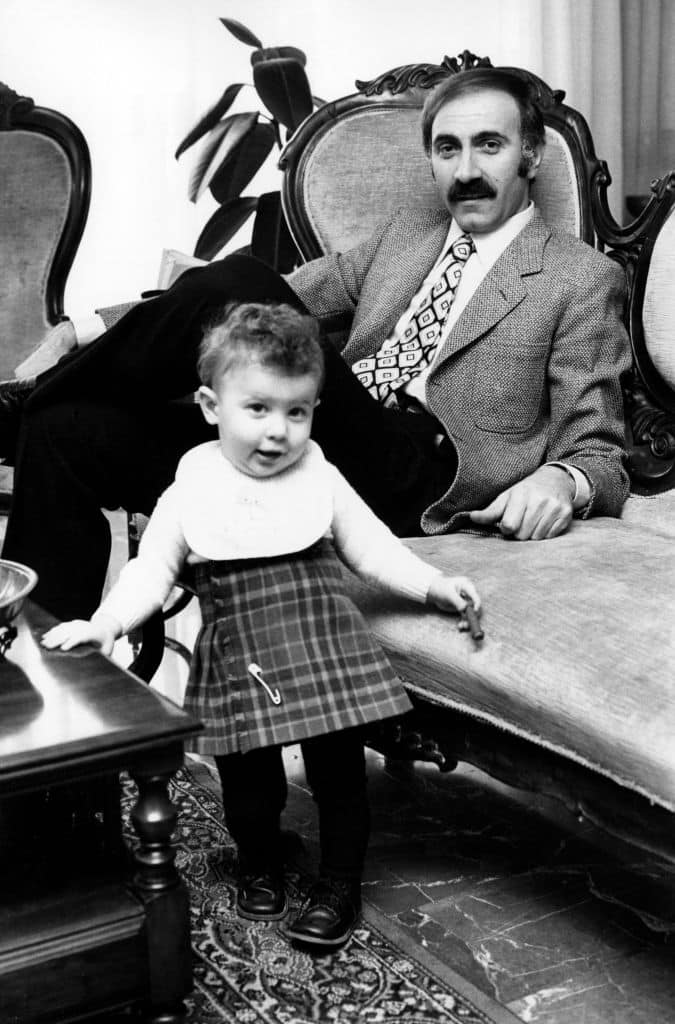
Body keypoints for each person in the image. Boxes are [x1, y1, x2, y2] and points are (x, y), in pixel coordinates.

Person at [1, 67, 631, 620]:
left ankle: (14, 404)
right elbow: (273, 292)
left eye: (488, 146)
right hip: (315, 433)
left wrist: (564, 479)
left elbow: (600, 448)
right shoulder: (406, 237)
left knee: (247, 283)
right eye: (447, 149)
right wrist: (74, 330)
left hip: (416, 476)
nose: (465, 171)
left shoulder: (578, 278)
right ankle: (40, 693)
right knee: (65, 426)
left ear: (532, 154)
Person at [41, 302, 481, 948]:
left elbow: (372, 548)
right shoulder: (192, 484)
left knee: (338, 779)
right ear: (210, 404)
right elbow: (152, 567)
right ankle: (260, 860)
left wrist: (434, 585)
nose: (278, 431)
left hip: (320, 649)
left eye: (296, 411)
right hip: (240, 654)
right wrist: (105, 624)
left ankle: (338, 882)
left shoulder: (318, 475)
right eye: (258, 409)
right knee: (249, 786)